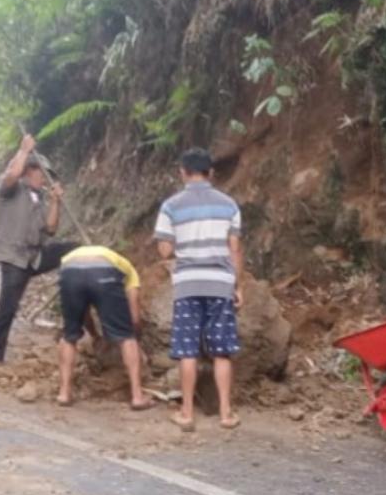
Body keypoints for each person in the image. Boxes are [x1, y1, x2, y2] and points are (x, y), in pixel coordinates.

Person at [154, 147, 245, 432]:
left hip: (188, 284)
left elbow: (166, 250)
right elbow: (235, 249)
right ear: (211, 173)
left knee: (188, 350)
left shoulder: (170, 206)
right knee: (221, 352)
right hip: (220, 284)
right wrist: (237, 285)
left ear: (182, 172)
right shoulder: (229, 205)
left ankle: (187, 414)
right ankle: (227, 414)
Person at [0, 133, 78, 364]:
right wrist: (23, 150)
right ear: (28, 170)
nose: (45, 180)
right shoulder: (11, 190)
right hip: (13, 259)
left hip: (34, 257)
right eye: (42, 174)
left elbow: (51, 229)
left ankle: (79, 292)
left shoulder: (40, 198)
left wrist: (55, 201)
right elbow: (11, 175)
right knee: (4, 312)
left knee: (74, 249)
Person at [55, 245, 153, 411]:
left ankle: (64, 393)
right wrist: (133, 336)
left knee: (69, 335)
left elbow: (84, 313)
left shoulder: (77, 256)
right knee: (127, 337)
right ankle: (137, 397)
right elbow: (135, 316)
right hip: (104, 272)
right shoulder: (128, 270)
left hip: (68, 270)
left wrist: (95, 336)